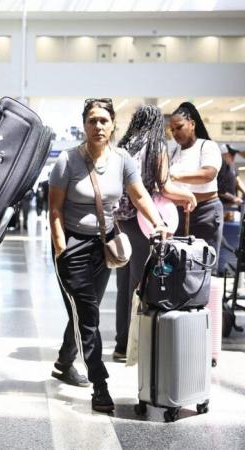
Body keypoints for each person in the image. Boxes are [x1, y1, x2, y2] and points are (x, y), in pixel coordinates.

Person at [48, 98, 169, 413]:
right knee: (88, 315)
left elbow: (139, 194)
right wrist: (61, 249)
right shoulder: (67, 161)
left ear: (113, 124)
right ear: (84, 124)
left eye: (104, 120)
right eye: (92, 120)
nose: (98, 126)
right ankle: (100, 385)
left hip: (104, 246)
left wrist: (158, 221)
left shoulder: (122, 159)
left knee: (86, 311)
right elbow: (55, 210)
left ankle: (64, 361)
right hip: (72, 246)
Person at [113, 105, 197, 361]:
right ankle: (138, 345)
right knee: (142, 284)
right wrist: (188, 195)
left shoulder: (123, 147)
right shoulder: (156, 146)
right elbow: (165, 185)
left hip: (121, 220)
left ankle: (121, 343)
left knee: (123, 285)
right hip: (142, 221)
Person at [168, 102, 224, 269]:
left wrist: (176, 175)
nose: (175, 133)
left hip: (205, 213)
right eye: (172, 130)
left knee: (205, 264)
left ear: (192, 124)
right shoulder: (173, 152)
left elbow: (208, 174)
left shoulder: (207, 146)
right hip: (179, 214)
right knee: (179, 265)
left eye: (179, 127)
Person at [217, 144, 245, 213]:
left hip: (231, 206)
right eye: (231, 154)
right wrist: (233, 198)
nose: (233, 157)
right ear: (223, 154)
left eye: (234, 154)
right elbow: (219, 190)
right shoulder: (219, 167)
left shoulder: (232, 165)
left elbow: (237, 180)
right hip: (220, 205)